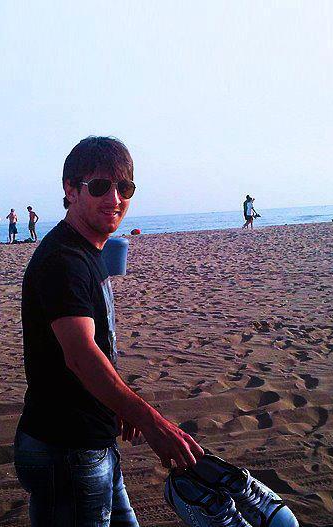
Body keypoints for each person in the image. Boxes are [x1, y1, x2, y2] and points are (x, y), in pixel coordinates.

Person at [14, 136, 204, 526]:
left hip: (89, 442)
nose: (114, 198)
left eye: (124, 187)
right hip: (67, 449)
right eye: (100, 186)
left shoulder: (88, 251)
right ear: (70, 190)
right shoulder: (64, 261)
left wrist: (117, 404)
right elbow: (81, 356)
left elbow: (96, 349)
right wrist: (152, 422)